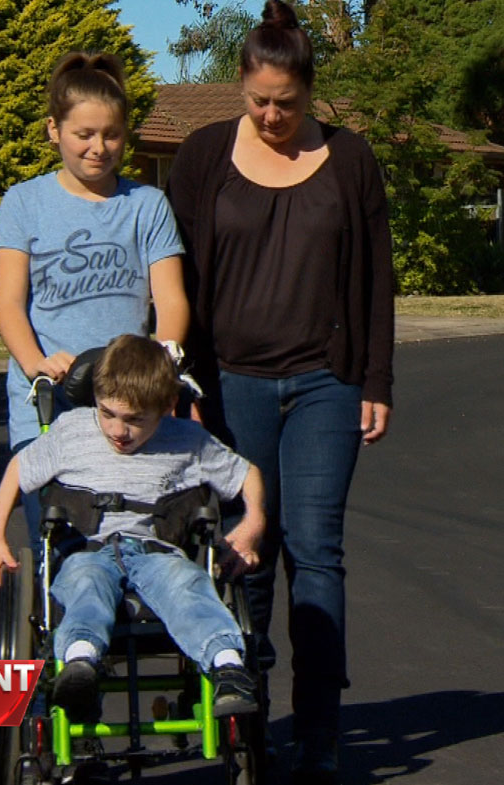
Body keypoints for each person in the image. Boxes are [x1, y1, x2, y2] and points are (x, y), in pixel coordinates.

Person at [165, 2, 394, 781]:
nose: (270, 115)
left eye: (286, 104)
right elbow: (176, 279)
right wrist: (180, 378)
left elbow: (375, 281)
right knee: (246, 555)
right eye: (258, 100)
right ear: (241, 86)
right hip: (231, 387)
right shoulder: (200, 158)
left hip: (326, 384)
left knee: (317, 552)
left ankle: (320, 732)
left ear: (309, 92)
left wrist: (376, 379)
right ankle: (247, 723)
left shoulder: (352, 159)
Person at [0, 334, 266, 722]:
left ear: (166, 407)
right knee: (84, 585)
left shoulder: (188, 441)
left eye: (135, 420)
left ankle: (228, 666)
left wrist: (253, 524)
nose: (118, 430)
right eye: (107, 413)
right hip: (89, 549)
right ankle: (81, 663)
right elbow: (19, 469)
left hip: (158, 552)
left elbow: (247, 474)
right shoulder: (72, 431)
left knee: (188, 586)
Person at [0, 51, 189, 551]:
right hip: (50, 402)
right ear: (54, 130)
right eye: (84, 135)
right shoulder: (24, 203)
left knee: (143, 537)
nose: (99, 148)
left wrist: (165, 356)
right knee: (63, 546)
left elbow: (171, 300)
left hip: (130, 400)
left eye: (111, 135)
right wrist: (37, 364)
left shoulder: (146, 206)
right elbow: (8, 304)